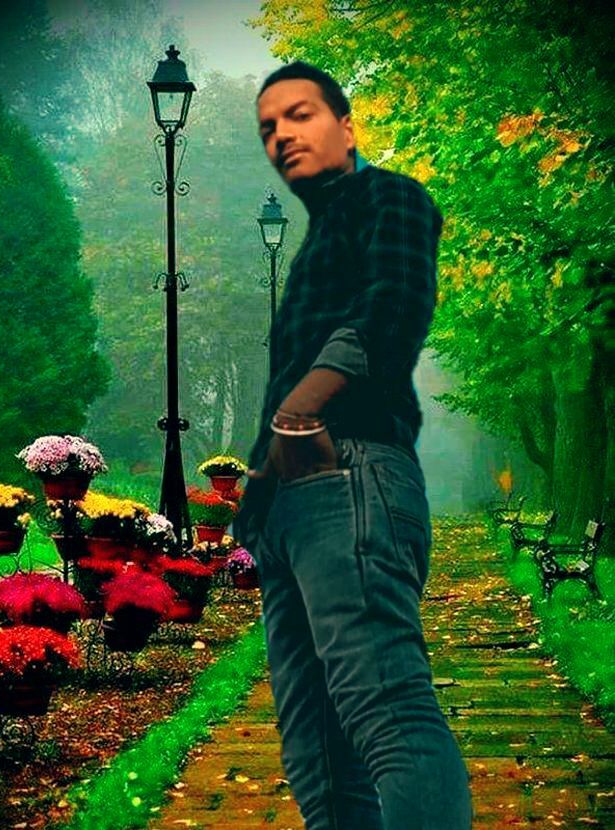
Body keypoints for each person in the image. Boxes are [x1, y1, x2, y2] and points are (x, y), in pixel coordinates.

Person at [232, 61, 473, 830]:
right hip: (289, 505)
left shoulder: (389, 197)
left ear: (346, 124)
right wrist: (257, 506)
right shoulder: (319, 237)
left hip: (351, 473)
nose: (280, 136)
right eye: (267, 128)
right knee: (319, 760)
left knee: (388, 715)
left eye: (298, 115)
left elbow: (392, 304)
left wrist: (300, 411)